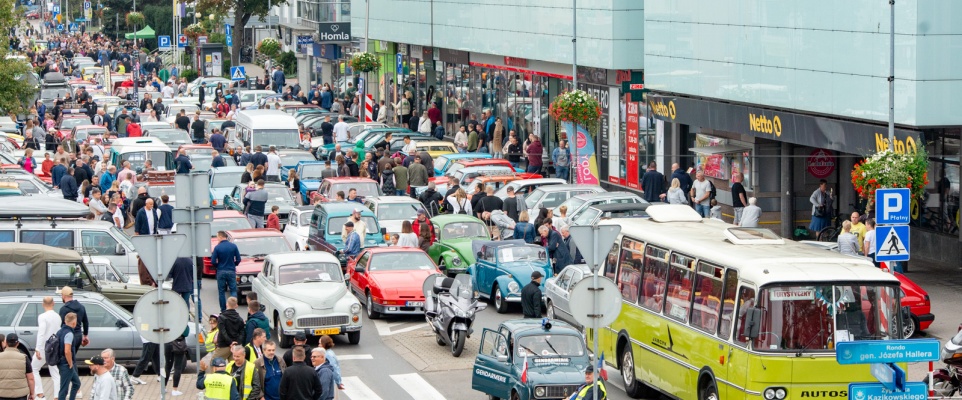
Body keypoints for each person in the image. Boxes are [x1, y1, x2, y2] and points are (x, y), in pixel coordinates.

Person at [32, 296, 61, 397]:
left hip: (44, 347)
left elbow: (41, 333)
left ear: (42, 304)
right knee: (55, 373)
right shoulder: (58, 316)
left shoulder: (42, 317)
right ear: (53, 303)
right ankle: (57, 396)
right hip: (55, 347)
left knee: (34, 368)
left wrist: (37, 348)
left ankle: (40, 394)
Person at [211, 231, 242, 311]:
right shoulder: (233, 246)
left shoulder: (217, 248)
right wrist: (234, 264)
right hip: (231, 270)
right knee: (233, 290)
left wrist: (218, 266)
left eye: (217, 237)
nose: (217, 239)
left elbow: (213, 261)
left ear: (221, 237)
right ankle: (233, 308)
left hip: (221, 271)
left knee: (221, 291)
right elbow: (238, 259)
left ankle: (223, 310)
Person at [0, 332, 34, 400]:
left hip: (2, 394)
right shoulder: (24, 358)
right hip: (20, 395)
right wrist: (32, 393)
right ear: (18, 343)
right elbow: (30, 378)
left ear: (6, 343)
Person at [56, 312, 81, 400]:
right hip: (66, 364)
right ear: (74, 323)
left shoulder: (59, 331)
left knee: (77, 383)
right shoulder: (69, 334)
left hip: (62, 362)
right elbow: (67, 351)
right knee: (64, 389)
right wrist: (70, 363)